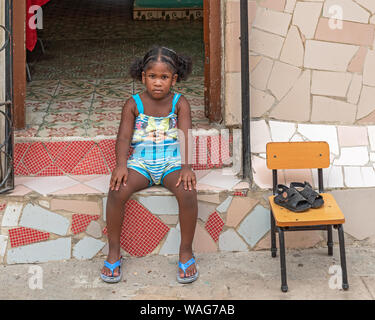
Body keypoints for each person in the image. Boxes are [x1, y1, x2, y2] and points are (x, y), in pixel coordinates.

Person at [100, 46, 199, 284]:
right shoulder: (133, 104)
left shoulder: (180, 103)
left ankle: (185, 251)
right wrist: (121, 165)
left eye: (164, 77)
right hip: (141, 163)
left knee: (188, 193)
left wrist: (186, 167)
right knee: (116, 191)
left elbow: (185, 135)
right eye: (152, 76)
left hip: (172, 162)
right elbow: (124, 138)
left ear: (174, 79)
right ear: (143, 76)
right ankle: (114, 251)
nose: (157, 83)